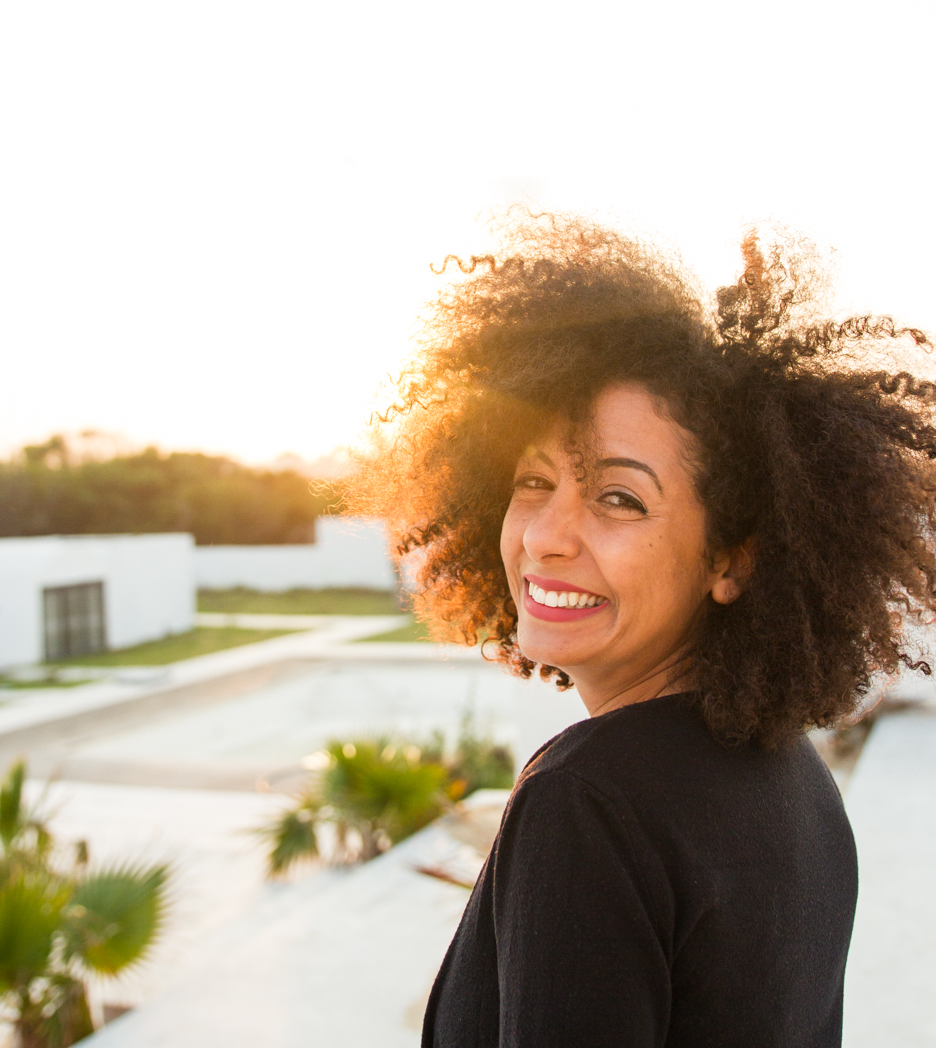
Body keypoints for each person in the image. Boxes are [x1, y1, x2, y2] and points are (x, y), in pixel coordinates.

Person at [354, 215, 936, 1048]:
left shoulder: (587, 802)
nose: (547, 535)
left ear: (731, 562)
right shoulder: (791, 777)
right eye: (533, 481)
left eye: (619, 498)